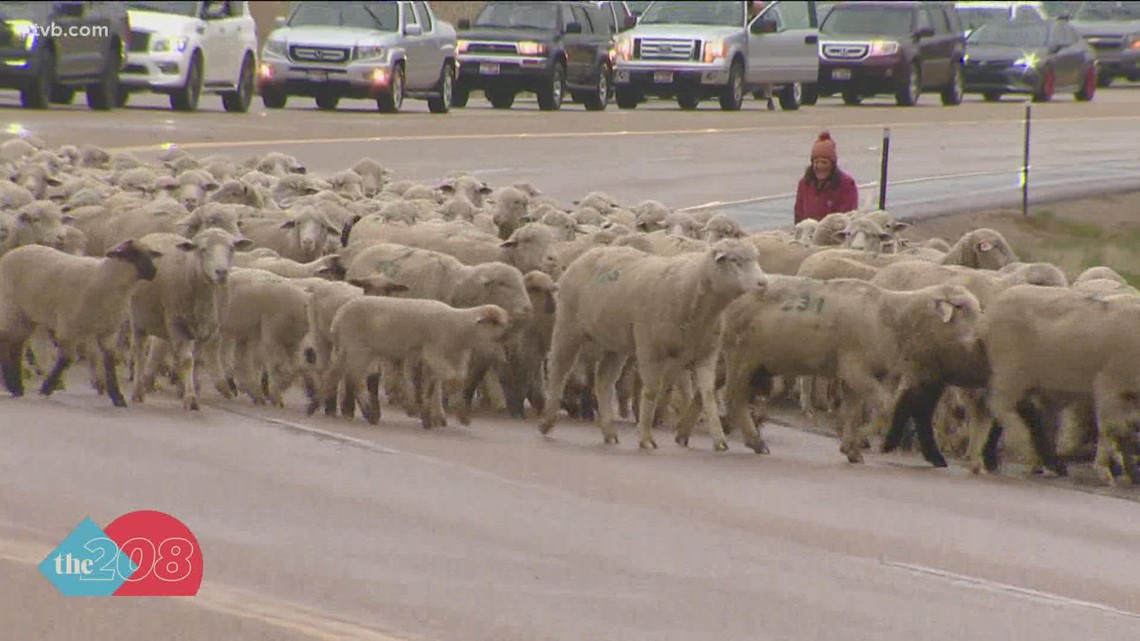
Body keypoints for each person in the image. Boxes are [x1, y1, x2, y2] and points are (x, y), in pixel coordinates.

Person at [793, 131, 859, 223]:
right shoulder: (804, 184)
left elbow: (847, 218)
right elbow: (798, 214)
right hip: (808, 233)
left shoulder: (846, 184)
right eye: (816, 162)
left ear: (832, 164)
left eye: (824, 162)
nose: (820, 166)